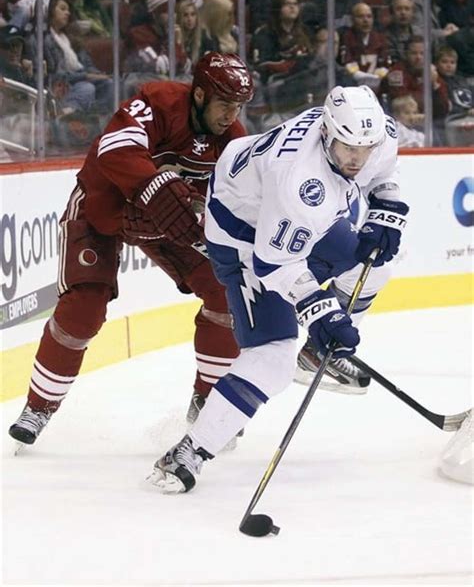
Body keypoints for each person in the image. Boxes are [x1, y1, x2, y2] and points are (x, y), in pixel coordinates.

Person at [147, 85, 410, 493]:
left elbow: (384, 171)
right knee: (272, 359)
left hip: (286, 223)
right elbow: (276, 262)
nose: (357, 159)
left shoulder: (372, 134)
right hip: (244, 237)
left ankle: (318, 355)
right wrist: (320, 310)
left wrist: (387, 207)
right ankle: (188, 452)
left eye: (365, 147)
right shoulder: (301, 183)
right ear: (326, 133)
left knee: (374, 266)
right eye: (347, 149)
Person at [8, 52, 254, 446]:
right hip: (102, 209)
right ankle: (38, 406)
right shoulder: (157, 102)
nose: (231, 114)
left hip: (167, 224)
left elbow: (238, 201)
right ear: (200, 95)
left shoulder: (233, 139)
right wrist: (157, 187)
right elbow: (113, 151)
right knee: (83, 309)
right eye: (224, 104)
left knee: (226, 292)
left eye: (238, 106)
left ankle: (207, 401)